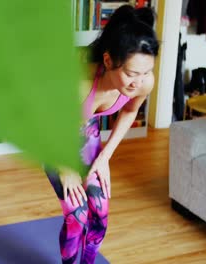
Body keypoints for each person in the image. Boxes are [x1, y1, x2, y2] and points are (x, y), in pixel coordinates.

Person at [45, 5, 160, 264]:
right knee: (77, 215)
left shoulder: (144, 82)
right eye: (131, 73)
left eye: (145, 72)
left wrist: (104, 157)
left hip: (88, 136)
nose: (138, 82)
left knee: (100, 211)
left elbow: (130, 112)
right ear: (108, 61)